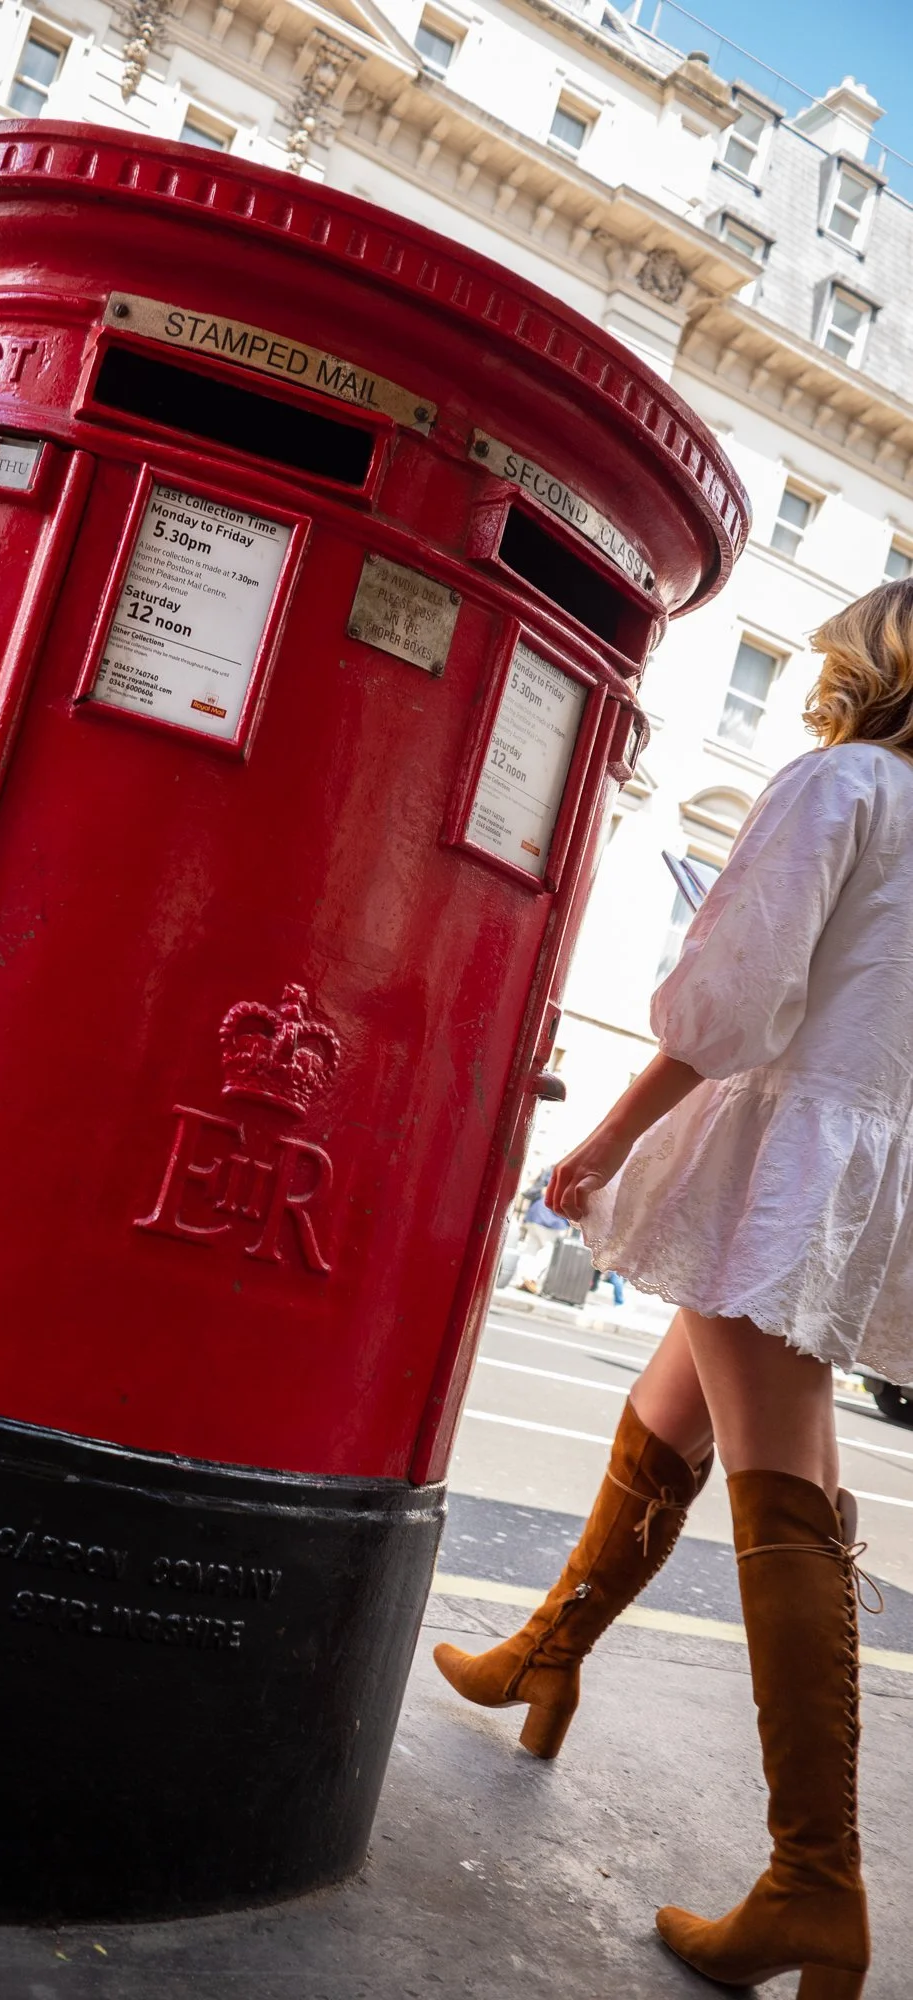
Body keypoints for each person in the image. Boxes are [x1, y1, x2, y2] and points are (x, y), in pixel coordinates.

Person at [435, 576, 913, 1999]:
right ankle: (545, 1654)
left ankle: (811, 1885)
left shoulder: (841, 786)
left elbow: (732, 1002)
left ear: (867, 665)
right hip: (865, 1166)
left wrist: (600, 1141)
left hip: (780, 1149)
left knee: (788, 1491)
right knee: (668, 1422)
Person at [515, 1188, 567, 1293]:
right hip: (549, 1218)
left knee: (530, 1249)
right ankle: (530, 1277)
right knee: (548, 1251)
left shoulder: (551, 1172)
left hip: (535, 1213)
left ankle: (520, 1279)